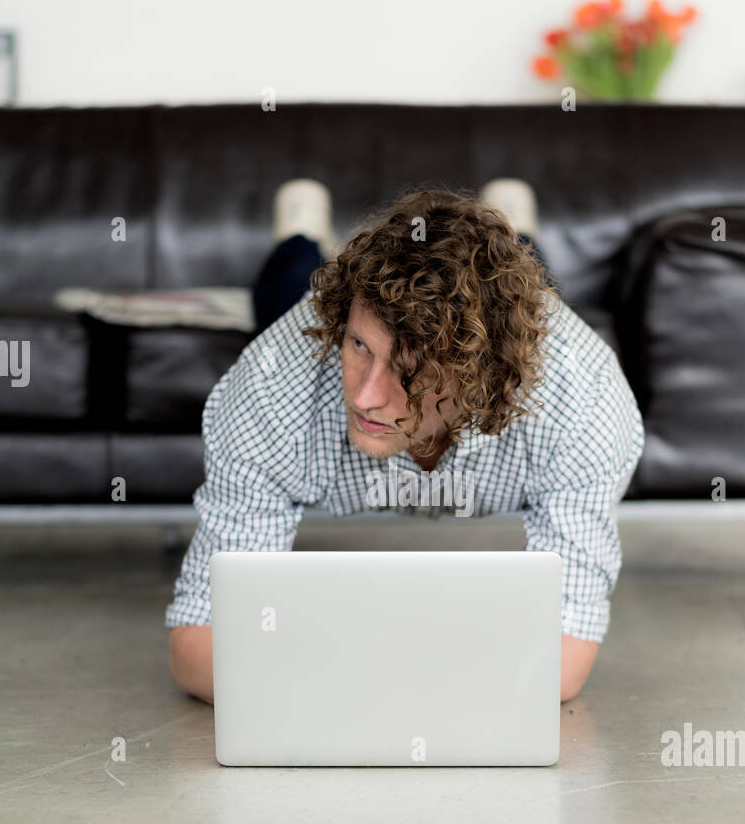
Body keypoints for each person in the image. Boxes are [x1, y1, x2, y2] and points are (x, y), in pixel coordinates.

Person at [166, 180, 645, 706]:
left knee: (523, 274)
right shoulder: (270, 385)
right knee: (289, 284)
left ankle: (512, 222)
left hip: (518, 337)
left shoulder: (586, 407)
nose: (366, 398)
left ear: (481, 379)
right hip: (301, 320)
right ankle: (301, 231)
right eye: (358, 347)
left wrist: (345, 681)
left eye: (408, 371)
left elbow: (562, 663)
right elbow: (196, 644)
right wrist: (392, 688)